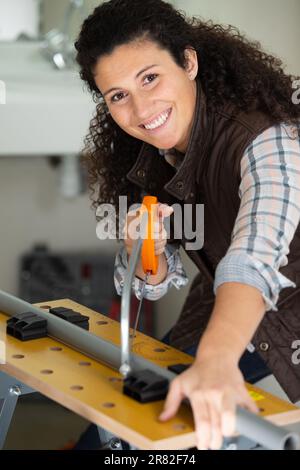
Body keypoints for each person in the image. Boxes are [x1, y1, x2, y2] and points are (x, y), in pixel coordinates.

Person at [74, 0, 300, 450]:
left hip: (286, 313)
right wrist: (145, 256)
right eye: (118, 95)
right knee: (117, 432)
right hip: (223, 305)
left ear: (189, 62)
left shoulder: (266, 137)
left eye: (150, 77)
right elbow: (156, 281)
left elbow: (253, 257)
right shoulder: (144, 155)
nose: (140, 109)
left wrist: (216, 362)